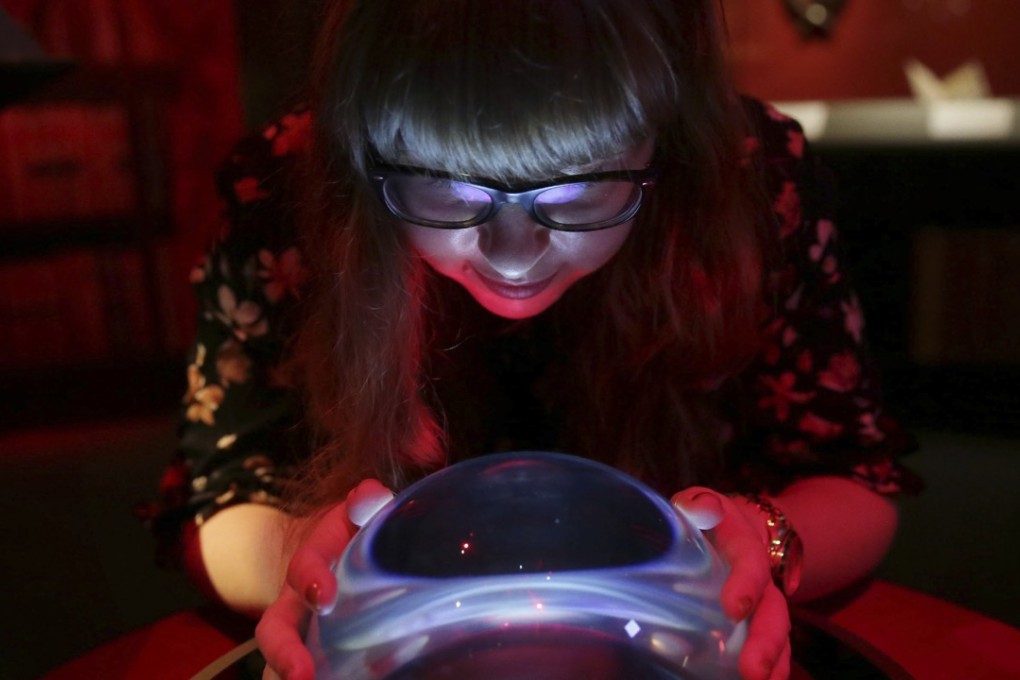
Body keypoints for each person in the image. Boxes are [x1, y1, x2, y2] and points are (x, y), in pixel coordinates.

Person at [145, 0, 921, 678]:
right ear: (363, 157)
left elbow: (856, 476)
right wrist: (303, 561)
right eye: (447, 193)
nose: (514, 258)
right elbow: (218, 501)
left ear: (660, 145)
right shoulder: (284, 186)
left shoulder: (752, 179)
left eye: (580, 193)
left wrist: (764, 540)